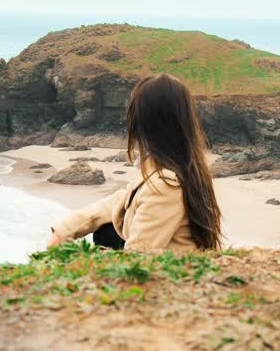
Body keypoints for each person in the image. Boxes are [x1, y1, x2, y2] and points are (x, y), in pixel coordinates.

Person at [46, 74, 222, 252]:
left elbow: (138, 256)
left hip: (164, 275)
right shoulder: (175, 168)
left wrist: (81, 256)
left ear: (143, 123)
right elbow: (120, 200)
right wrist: (64, 231)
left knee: (107, 234)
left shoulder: (166, 184)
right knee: (108, 228)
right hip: (169, 268)